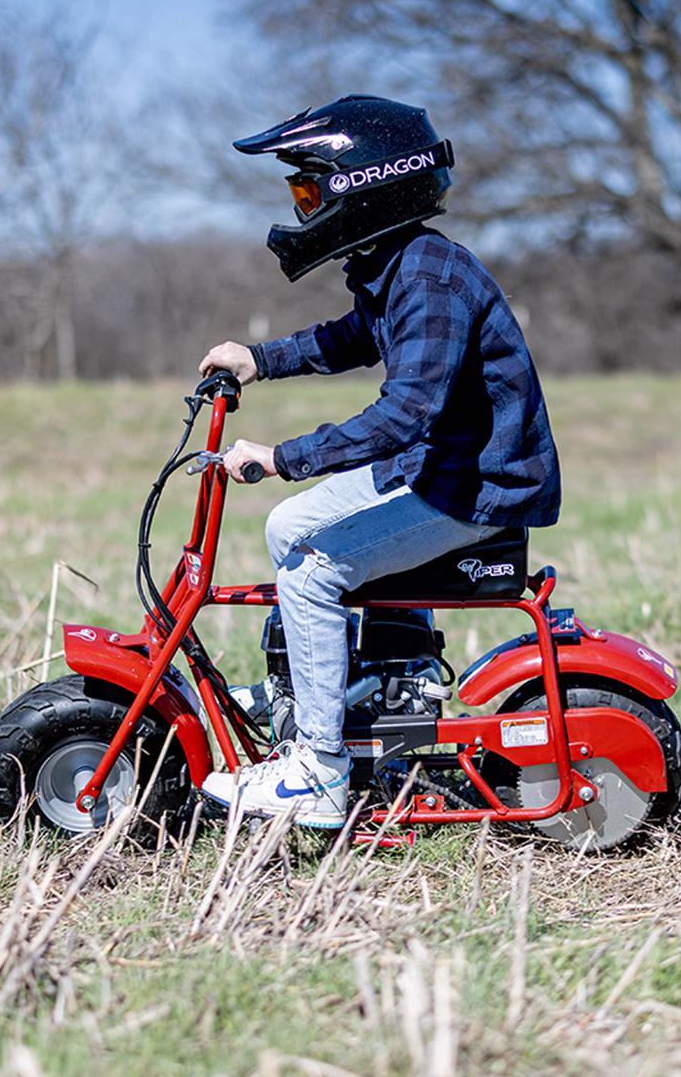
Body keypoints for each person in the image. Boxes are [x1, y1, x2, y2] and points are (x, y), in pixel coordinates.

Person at [197, 94, 561, 826]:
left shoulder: (429, 277)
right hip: (442, 465)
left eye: (309, 191)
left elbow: (405, 415)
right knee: (288, 528)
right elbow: (352, 338)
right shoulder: (399, 262)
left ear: (363, 187)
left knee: (312, 566)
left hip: (472, 487)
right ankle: (348, 688)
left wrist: (282, 455)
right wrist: (256, 360)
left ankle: (322, 774)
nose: (302, 208)